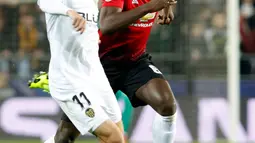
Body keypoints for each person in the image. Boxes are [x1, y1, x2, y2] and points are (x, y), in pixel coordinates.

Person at [30, 0, 177, 142]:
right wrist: (149, 7)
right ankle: (58, 83)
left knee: (165, 106)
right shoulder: (65, 5)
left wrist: (165, 6)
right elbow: (106, 24)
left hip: (125, 63)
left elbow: (91, 26)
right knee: (66, 137)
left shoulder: (90, 4)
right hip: (96, 67)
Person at [35, 0, 125, 142]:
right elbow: (44, 2)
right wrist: (70, 12)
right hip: (68, 80)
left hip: (94, 76)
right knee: (113, 137)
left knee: (118, 131)